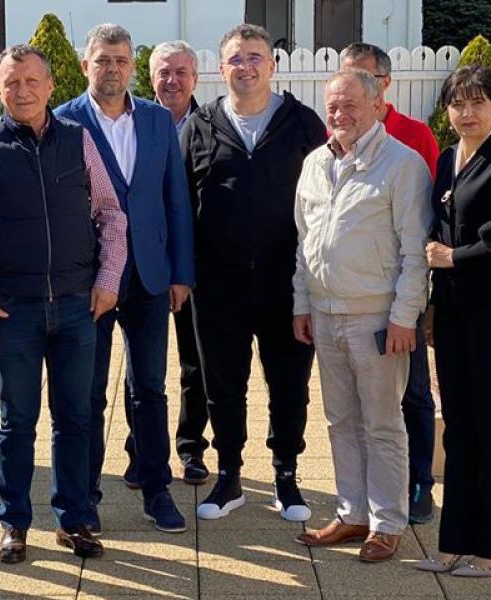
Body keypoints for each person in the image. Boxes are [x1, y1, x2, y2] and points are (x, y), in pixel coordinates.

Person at [0, 44, 128, 564]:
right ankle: (14, 523)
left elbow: (111, 213)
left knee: (75, 417)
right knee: (17, 422)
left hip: (77, 306)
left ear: (51, 86)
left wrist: (109, 279)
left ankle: (74, 520)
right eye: (12, 82)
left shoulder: (78, 140)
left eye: (32, 81)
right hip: (13, 311)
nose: (23, 91)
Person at [182, 24, 326, 522]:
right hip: (216, 283)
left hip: (287, 282)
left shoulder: (303, 123)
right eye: (236, 59)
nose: (246, 67)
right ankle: (230, 475)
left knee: (289, 382)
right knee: (223, 383)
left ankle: (287, 475)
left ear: (273, 65)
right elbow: (181, 203)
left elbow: (324, 203)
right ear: (221, 68)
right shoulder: (200, 125)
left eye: (255, 57)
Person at [55, 24, 195, 534]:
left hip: (151, 275)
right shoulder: (63, 121)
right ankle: (85, 496)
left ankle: (157, 489)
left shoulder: (156, 120)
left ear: (132, 66)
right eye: (102, 60)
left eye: (120, 60)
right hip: (89, 280)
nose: (112, 69)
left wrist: (181, 272)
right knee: (87, 392)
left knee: (150, 387)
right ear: (85, 65)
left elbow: (175, 198)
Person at [289, 68, 431, 562]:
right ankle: (352, 513)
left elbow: (415, 252)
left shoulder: (403, 164)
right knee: (340, 420)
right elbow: (305, 243)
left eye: (350, 105)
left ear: (377, 106)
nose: (339, 114)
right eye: (332, 106)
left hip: (377, 319)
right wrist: (302, 304)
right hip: (325, 314)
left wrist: (404, 317)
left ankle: (387, 523)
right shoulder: (314, 163)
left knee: (383, 423)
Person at [411, 65, 491, 578]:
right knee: (458, 426)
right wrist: (434, 304)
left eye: (478, 102)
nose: (467, 113)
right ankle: (453, 541)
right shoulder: (446, 159)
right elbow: (439, 229)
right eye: (458, 103)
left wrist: (454, 258)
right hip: (453, 312)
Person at [339, 42, 441, 523]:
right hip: (348, 301)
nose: (355, 89)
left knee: (413, 392)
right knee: (356, 405)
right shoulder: (336, 136)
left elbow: (427, 218)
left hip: (399, 296)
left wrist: (416, 302)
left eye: (366, 79)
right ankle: (365, 494)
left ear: (384, 85)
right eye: (347, 78)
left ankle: (420, 483)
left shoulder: (414, 137)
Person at [148, 39, 210, 485]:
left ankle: (191, 448)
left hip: (196, 265)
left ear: (195, 78)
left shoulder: (211, 125)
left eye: (181, 72)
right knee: (142, 368)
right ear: (151, 78)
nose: (172, 81)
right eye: (163, 73)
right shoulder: (133, 122)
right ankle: (142, 448)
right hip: (143, 263)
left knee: (195, 363)